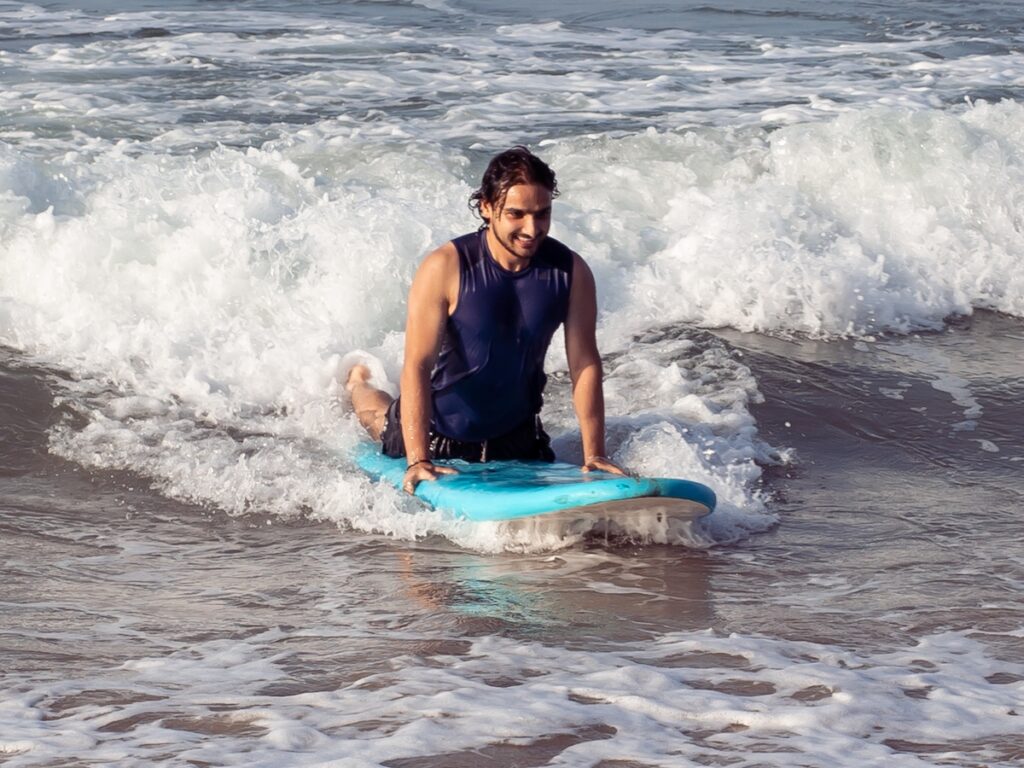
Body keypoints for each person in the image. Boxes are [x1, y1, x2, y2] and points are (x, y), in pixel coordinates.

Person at [347, 146, 624, 494]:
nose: (532, 228)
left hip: (518, 439)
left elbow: (584, 363)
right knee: (378, 418)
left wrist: (594, 454)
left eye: (542, 214)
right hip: (437, 436)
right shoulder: (446, 267)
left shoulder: (570, 272)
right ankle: (358, 383)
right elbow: (417, 365)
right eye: (516, 214)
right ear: (487, 208)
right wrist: (417, 459)